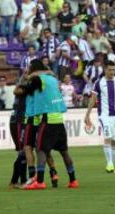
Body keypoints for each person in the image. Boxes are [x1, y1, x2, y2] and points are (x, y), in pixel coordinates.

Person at [24, 59, 78, 189]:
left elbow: (28, 88)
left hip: (47, 119)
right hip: (59, 118)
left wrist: (29, 76)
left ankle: (40, 181)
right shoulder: (53, 79)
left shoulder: (40, 79)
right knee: (64, 151)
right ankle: (73, 180)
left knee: (41, 150)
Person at [85, 61, 115, 173]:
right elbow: (93, 99)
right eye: (110, 69)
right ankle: (109, 164)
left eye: (113, 69)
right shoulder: (99, 83)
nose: (112, 72)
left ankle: (111, 164)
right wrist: (87, 114)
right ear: (105, 70)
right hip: (104, 115)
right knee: (107, 137)